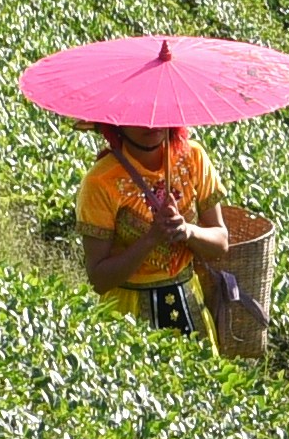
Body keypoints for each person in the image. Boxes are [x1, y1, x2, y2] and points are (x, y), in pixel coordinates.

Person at [73, 111, 277, 358]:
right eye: (138, 114)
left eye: (158, 112)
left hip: (190, 304)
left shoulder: (193, 158)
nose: (151, 122)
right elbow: (99, 278)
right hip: (127, 313)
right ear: (115, 121)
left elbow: (220, 241)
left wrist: (187, 231)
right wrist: (151, 239)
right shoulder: (101, 181)